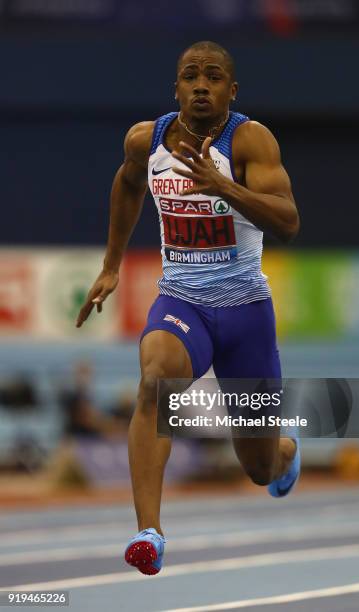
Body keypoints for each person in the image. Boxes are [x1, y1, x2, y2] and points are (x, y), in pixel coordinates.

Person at [76, 40, 301, 576]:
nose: (202, 85)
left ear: (232, 90)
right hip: (183, 305)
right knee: (154, 376)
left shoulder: (250, 141)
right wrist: (111, 264)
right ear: (176, 87)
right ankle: (148, 533)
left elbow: (288, 221)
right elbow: (128, 184)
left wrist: (223, 186)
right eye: (191, 76)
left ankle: (284, 455)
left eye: (214, 77)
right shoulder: (146, 140)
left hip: (246, 313)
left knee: (257, 466)